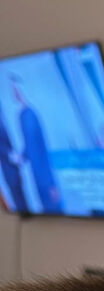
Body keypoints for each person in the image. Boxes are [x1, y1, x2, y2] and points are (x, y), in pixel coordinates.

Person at [11, 76, 62, 214]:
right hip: (36, 175)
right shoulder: (22, 115)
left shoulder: (30, 114)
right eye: (12, 89)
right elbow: (30, 145)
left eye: (16, 88)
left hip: (45, 177)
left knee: (54, 211)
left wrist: (51, 184)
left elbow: (40, 147)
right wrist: (21, 156)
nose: (14, 92)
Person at [0, 103, 28, 213]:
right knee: (20, 205)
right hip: (9, 173)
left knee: (23, 203)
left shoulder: (2, 124)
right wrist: (13, 156)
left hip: (14, 171)